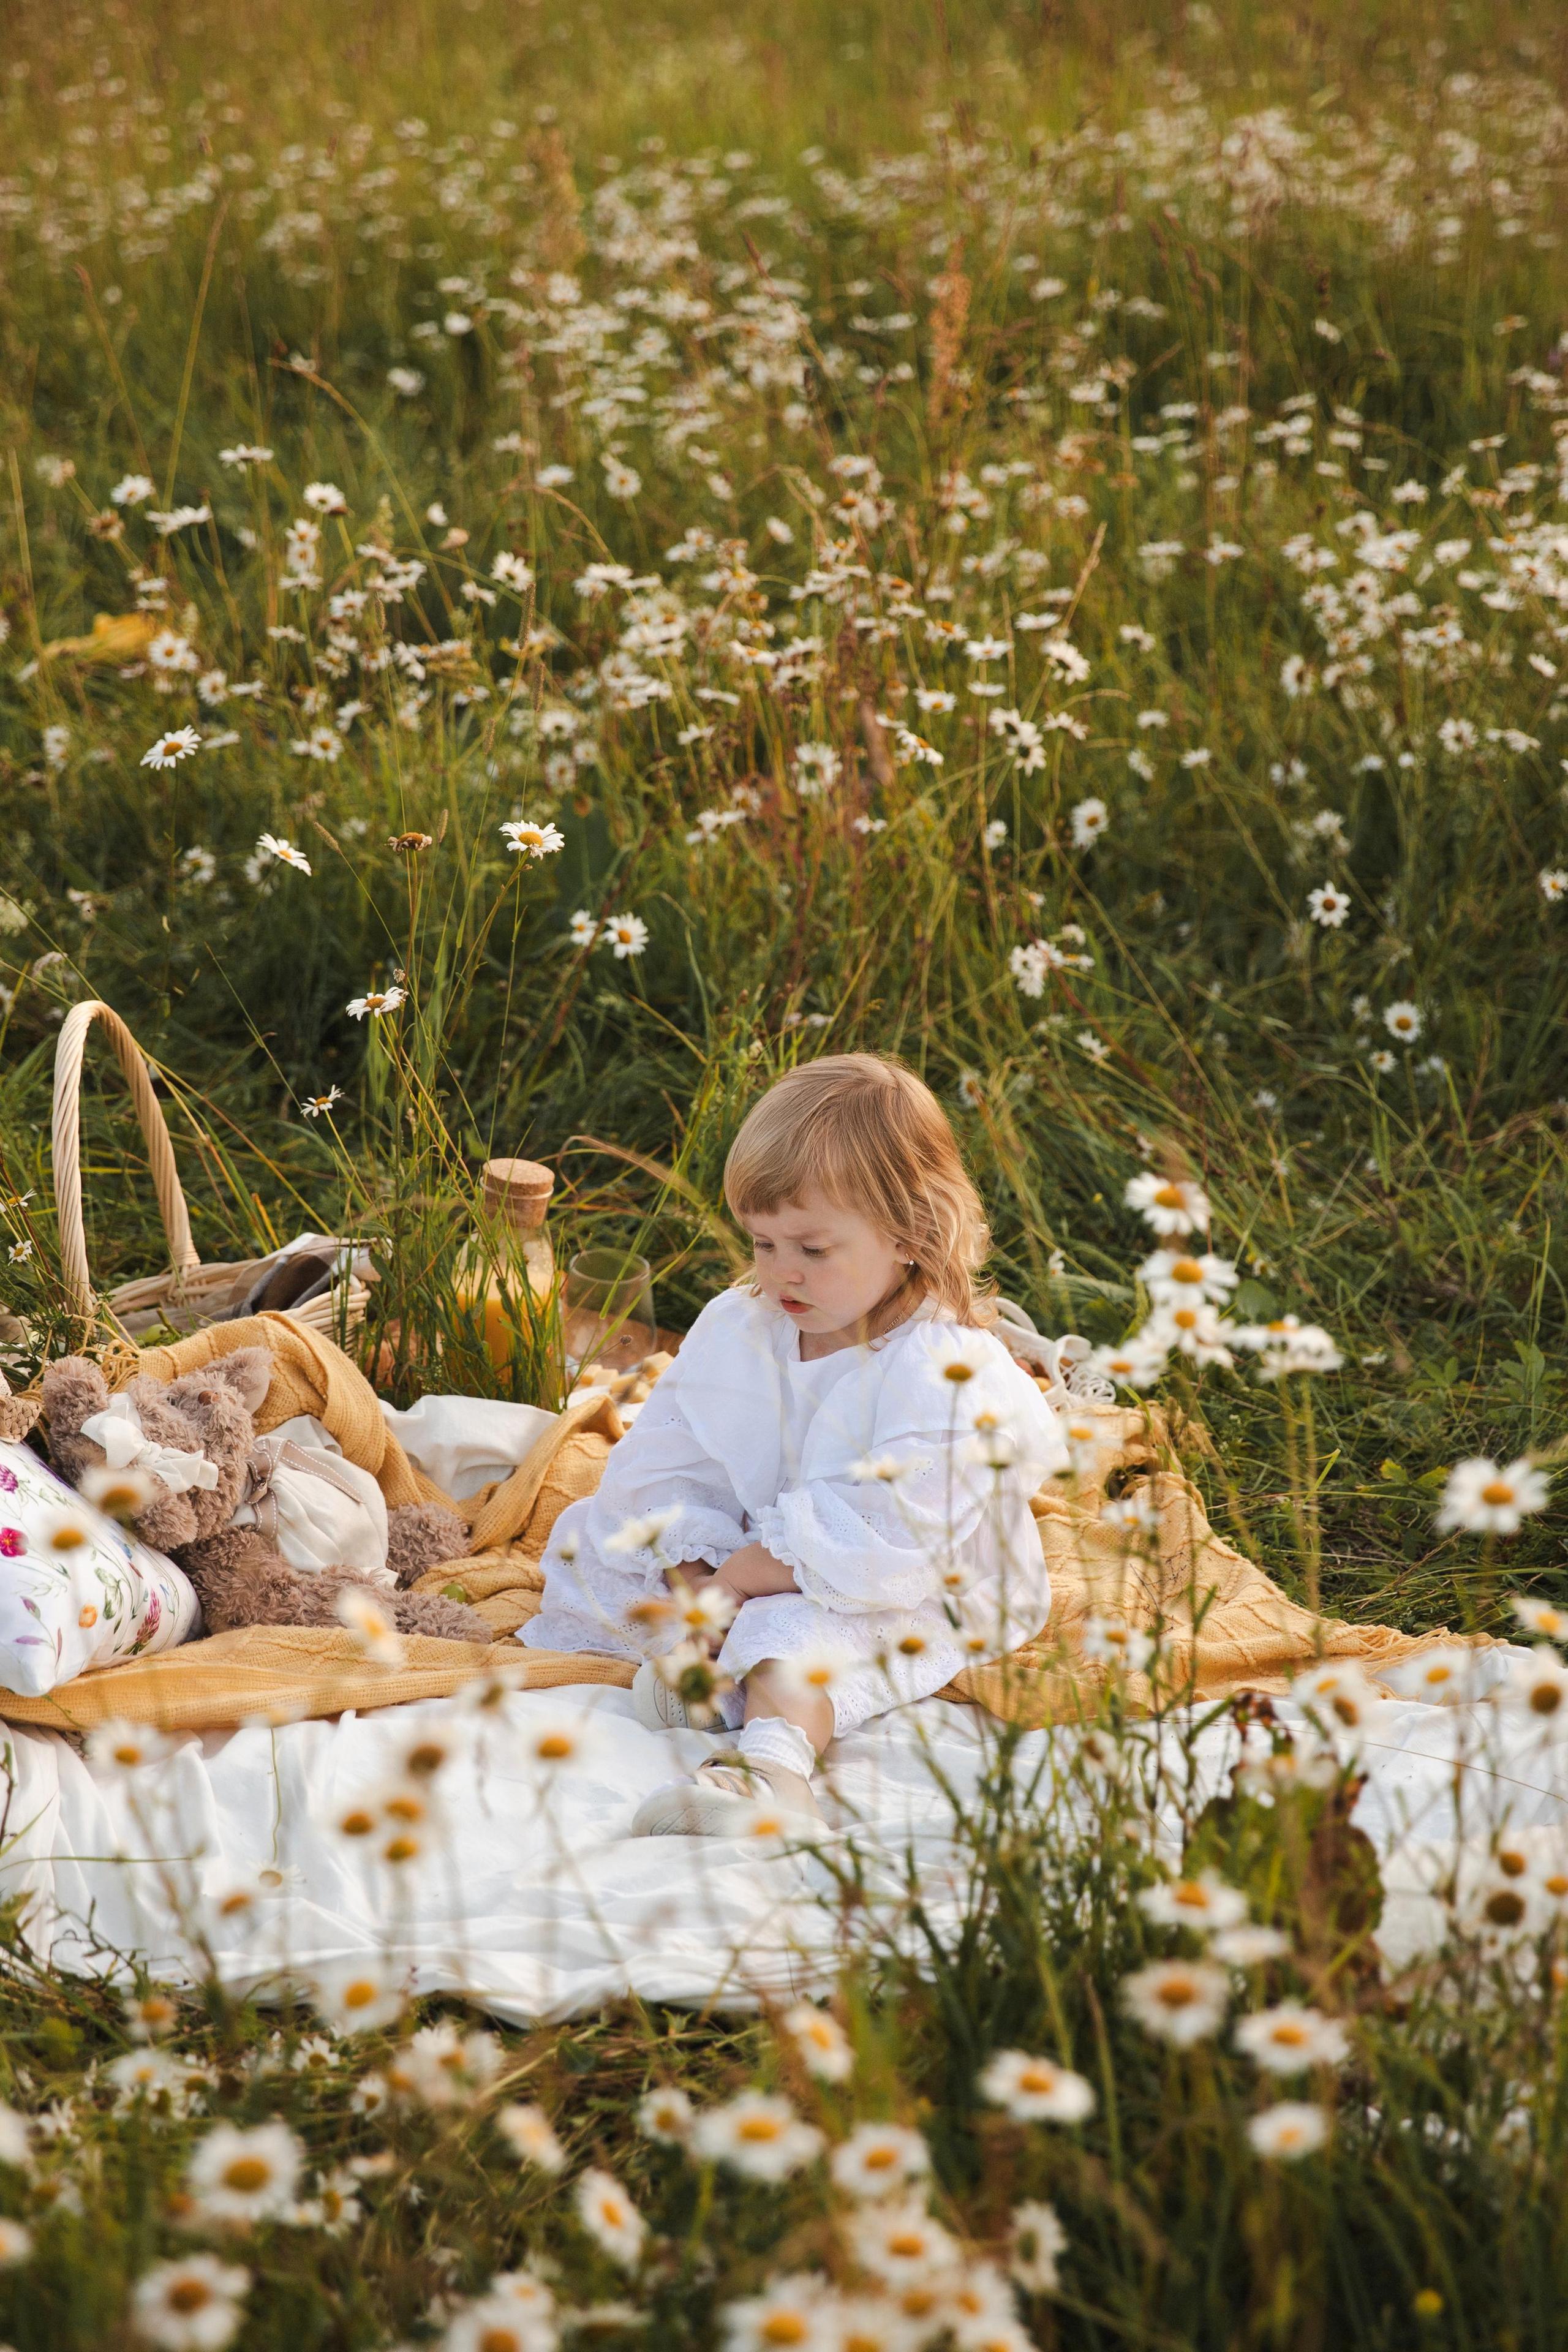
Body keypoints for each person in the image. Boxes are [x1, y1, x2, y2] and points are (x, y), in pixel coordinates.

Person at [520, 1053, 1068, 1834]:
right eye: (762, 1243)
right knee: (601, 1545)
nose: (782, 1274)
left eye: (813, 1250)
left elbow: (893, 1529)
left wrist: (744, 1582)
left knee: (797, 1633)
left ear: (912, 1233)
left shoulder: (941, 1370)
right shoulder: (746, 1324)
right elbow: (674, 1460)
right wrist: (698, 1574)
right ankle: (703, 1666)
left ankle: (771, 1769)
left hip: (899, 1573)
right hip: (767, 1543)